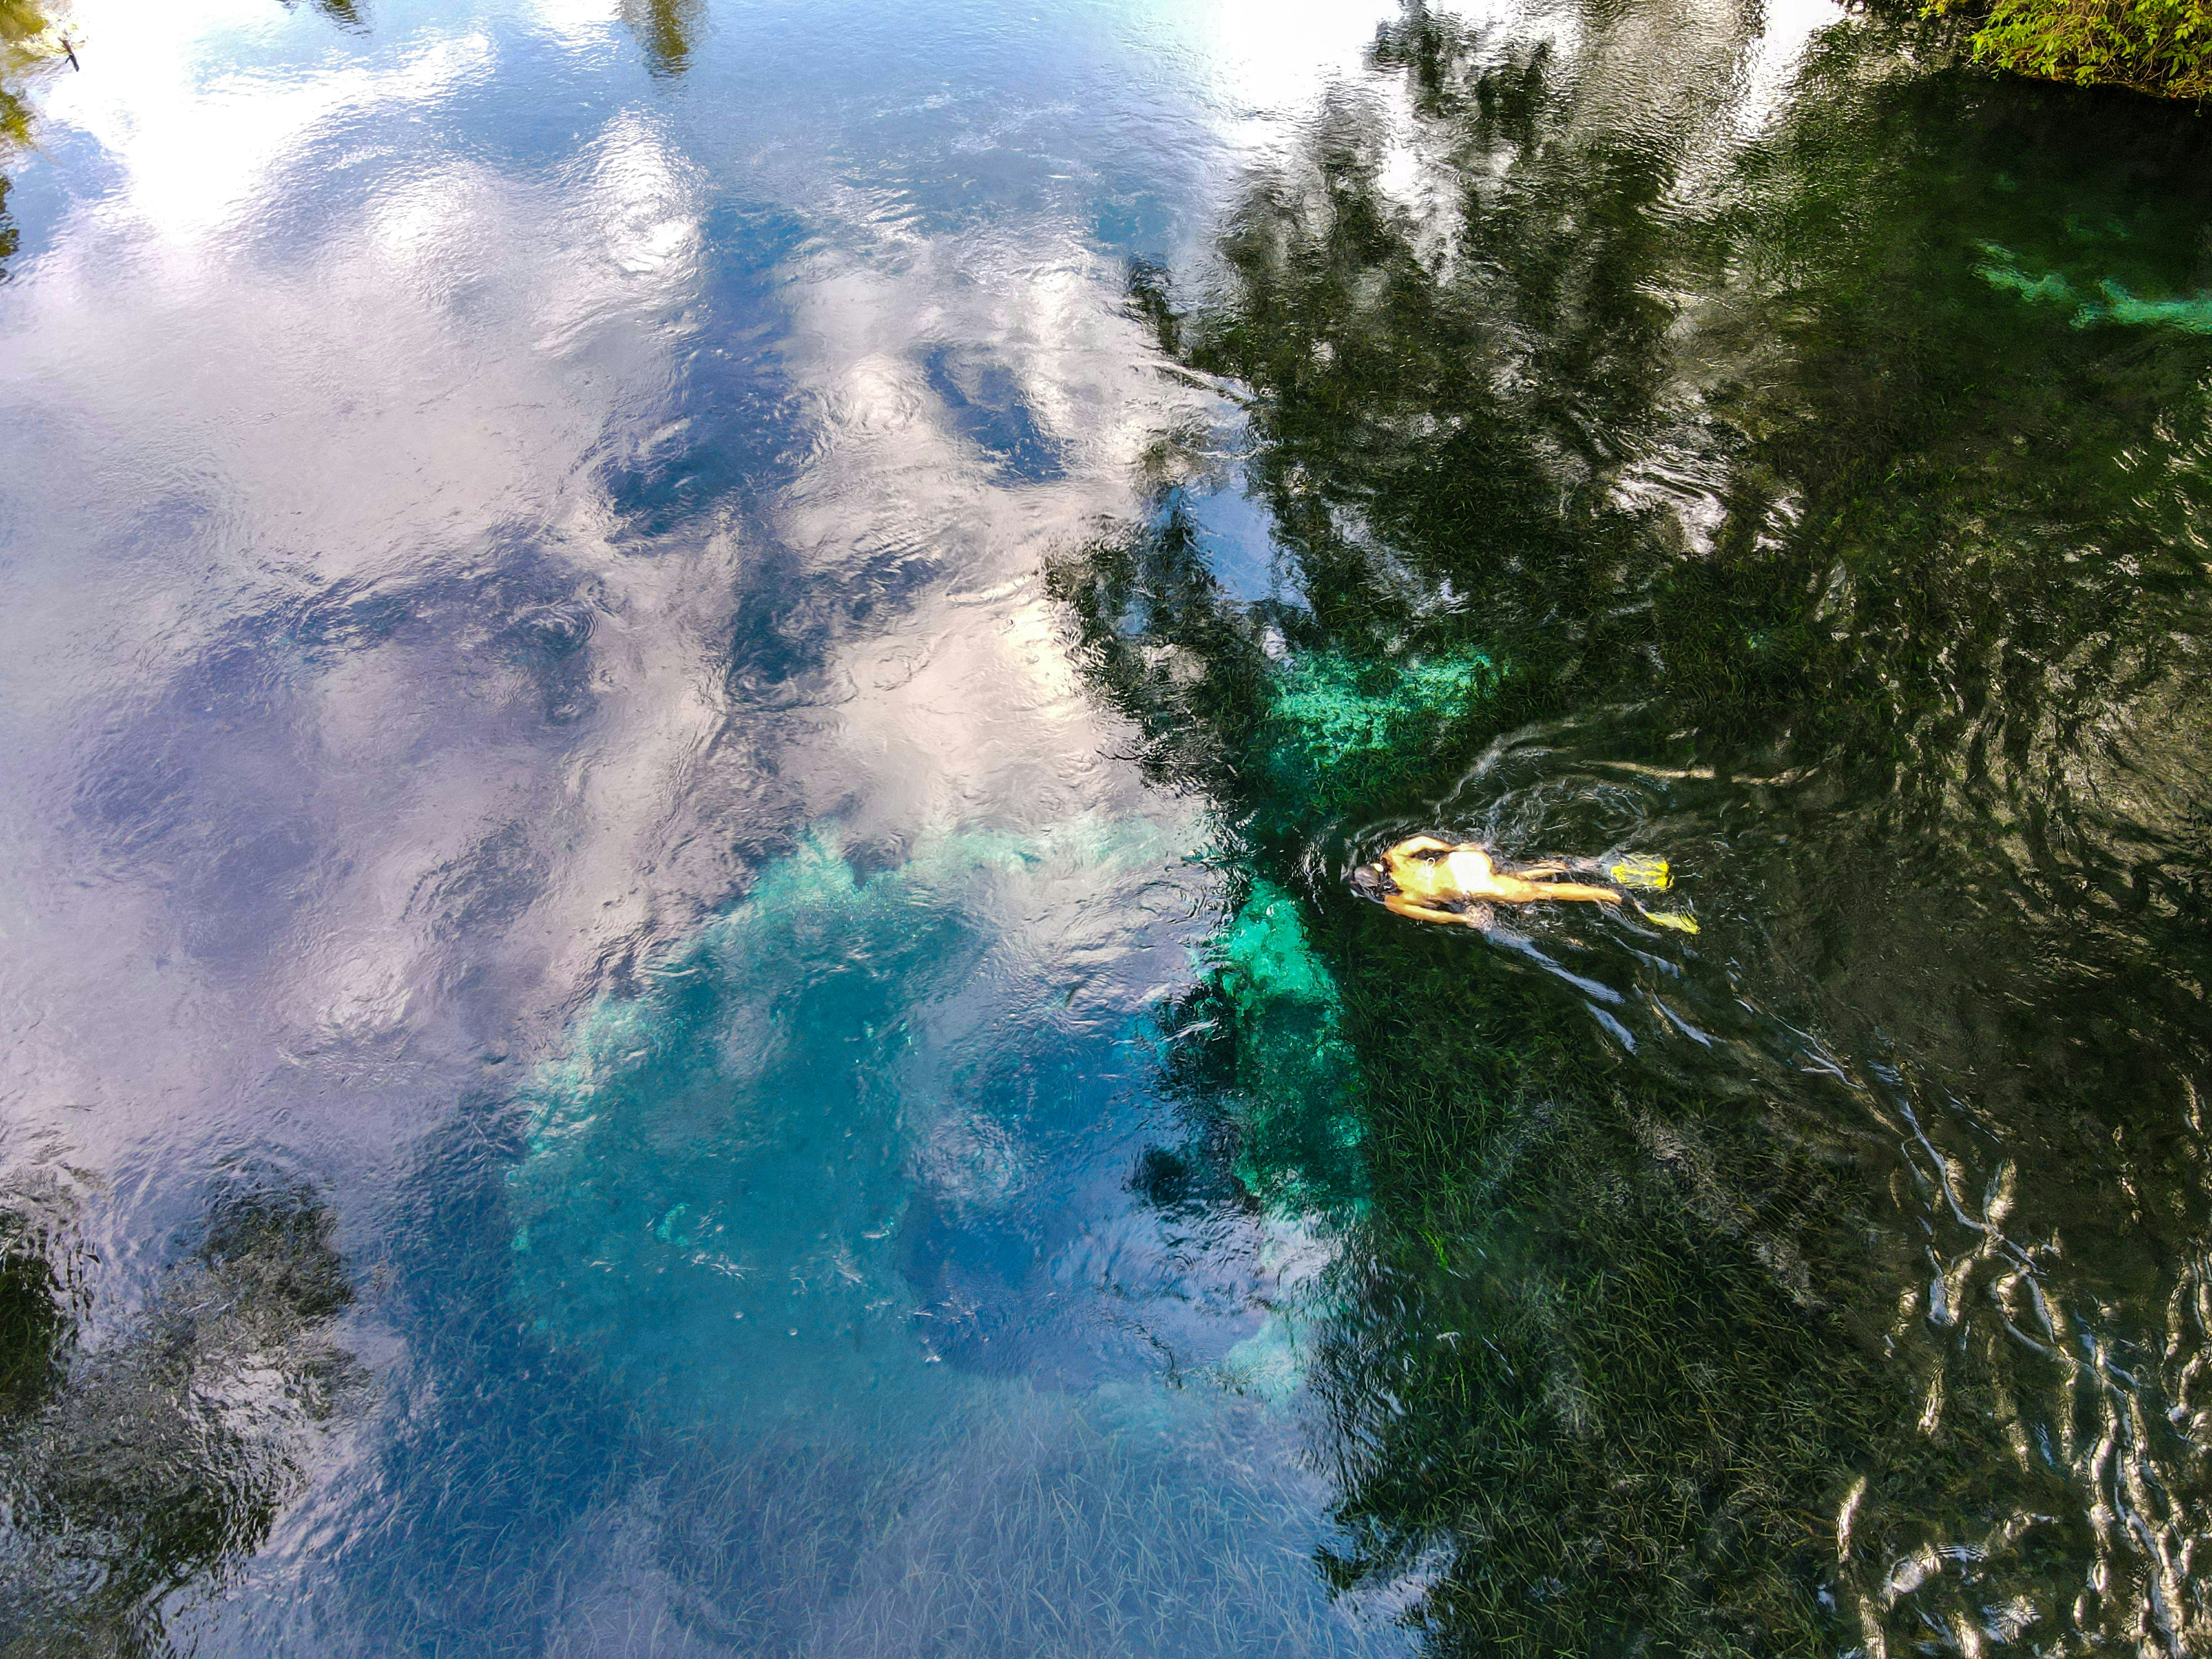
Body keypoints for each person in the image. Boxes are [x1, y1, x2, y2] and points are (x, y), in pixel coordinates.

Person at [1352, 836, 1695, 931]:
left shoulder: (1394, 903)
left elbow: (1437, 917)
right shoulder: (1392, 856)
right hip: (1466, 861)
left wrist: (1465, 918)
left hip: (1473, 885)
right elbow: (1423, 840)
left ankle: (1614, 895)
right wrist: (1456, 848)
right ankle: (1600, 866)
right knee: (1526, 871)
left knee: (1548, 892)